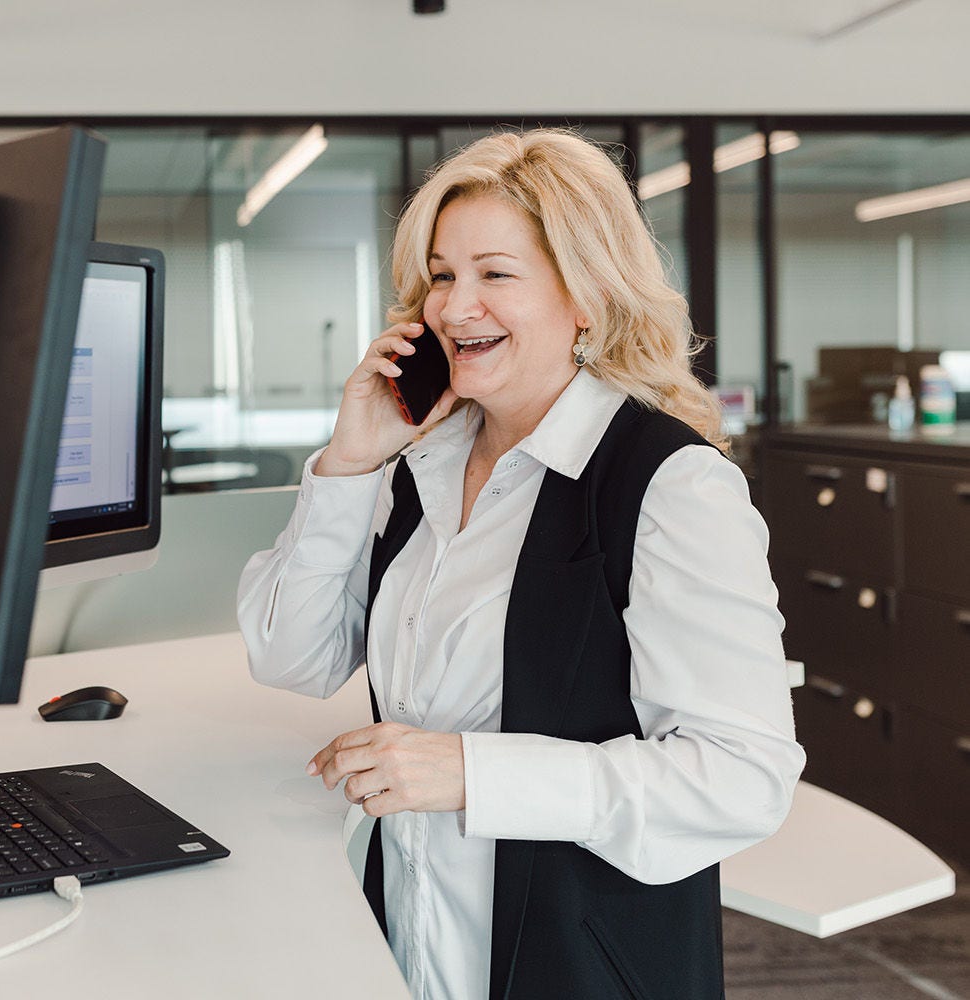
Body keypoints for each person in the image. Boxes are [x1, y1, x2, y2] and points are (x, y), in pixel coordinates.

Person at [236, 129, 804, 1000]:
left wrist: (471, 772)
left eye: (496, 275)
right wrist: (348, 463)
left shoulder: (667, 484)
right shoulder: (418, 465)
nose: (456, 308)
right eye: (441, 275)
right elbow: (292, 656)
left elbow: (743, 779)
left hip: (585, 967)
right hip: (416, 940)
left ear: (585, 296)